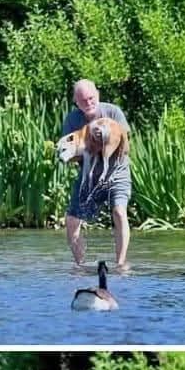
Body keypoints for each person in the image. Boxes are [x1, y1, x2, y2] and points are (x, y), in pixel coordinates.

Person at [62, 79, 131, 269]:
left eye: (91, 98)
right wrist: (83, 151)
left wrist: (103, 146)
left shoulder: (113, 112)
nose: (88, 103)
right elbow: (69, 155)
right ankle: (81, 265)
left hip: (117, 172)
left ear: (97, 96)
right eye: (83, 100)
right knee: (72, 220)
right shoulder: (72, 120)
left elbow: (125, 146)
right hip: (88, 177)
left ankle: (120, 264)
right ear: (76, 102)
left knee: (119, 211)